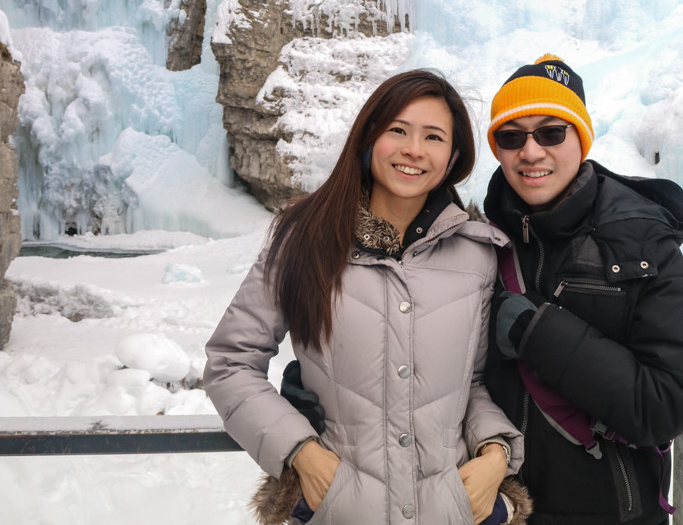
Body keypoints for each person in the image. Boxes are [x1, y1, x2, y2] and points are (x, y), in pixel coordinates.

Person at [203, 69, 527, 525]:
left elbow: (467, 386)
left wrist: (495, 451)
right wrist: (302, 453)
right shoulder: (304, 239)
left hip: (448, 513)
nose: (414, 149)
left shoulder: (477, 254)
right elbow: (229, 362)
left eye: (433, 137)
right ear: (369, 137)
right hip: (341, 510)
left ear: (453, 157)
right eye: (398, 130)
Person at [484, 54, 683, 525]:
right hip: (494, 509)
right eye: (512, 137)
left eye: (552, 132)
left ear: (581, 137)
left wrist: (539, 332)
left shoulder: (644, 239)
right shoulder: (478, 238)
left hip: (611, 514)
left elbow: (665, 404)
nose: (531, 152)